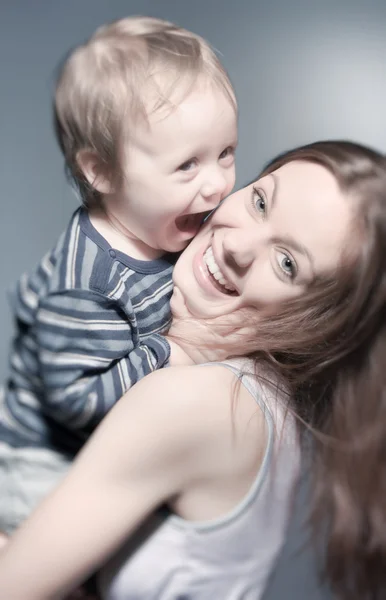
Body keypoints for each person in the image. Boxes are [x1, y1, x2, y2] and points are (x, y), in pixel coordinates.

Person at [1, 140, 385, 600]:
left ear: (321, 321)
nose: (237, 245)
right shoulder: (259, 399)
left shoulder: (195, 401)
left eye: (287, 264)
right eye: (261, 201)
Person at [0, 15, 237, 540]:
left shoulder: (169, 227)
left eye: (226, 153)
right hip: (44, 459)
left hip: (107, 442)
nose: (218, 184)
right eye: (187, 166)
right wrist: (170, 351)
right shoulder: (87, 285)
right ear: (101, 172)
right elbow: (74, 404)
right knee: (71, 556)